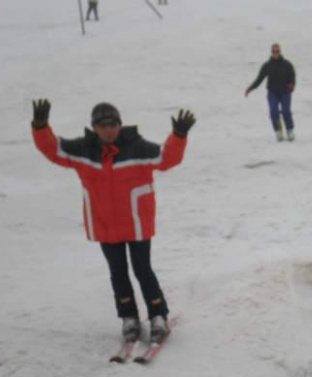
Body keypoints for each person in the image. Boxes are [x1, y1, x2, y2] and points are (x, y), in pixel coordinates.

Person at [30, 99, 196, 344]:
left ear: (120, 125)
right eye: (102, 125)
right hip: (104, 226)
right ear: (94, 128)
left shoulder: (137, 148)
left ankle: (158, 315)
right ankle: (129, 318)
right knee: (117, 273)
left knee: (143, 270)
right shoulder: (84, 150)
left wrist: (178, 135)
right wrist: (40, 125)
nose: (108, 129)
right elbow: (53, 149)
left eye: (113, 124)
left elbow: (166, 158)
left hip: (136, 224)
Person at [245, 43, 296, 142]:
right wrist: (250, 88)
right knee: (274, 111)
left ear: (280, 52)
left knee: (286, 111)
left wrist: (291, 85)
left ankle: (290, 130)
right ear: (271, 52)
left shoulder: (287, 64)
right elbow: (259, 79)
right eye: (274, 51)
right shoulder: (267, 66)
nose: (276, 53)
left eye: (277, 51)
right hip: (272, 93)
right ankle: (278, 131)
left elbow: (292, 76)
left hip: (285, 93)